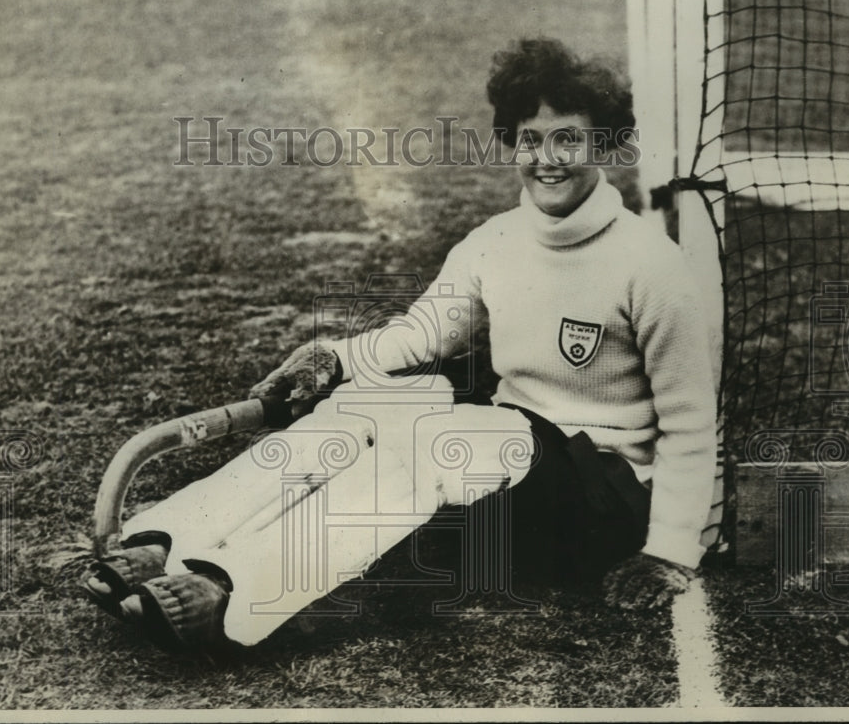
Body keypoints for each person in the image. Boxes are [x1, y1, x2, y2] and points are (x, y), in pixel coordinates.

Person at [83, 37, 718, 652]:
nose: (547, 158)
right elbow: (422, 331)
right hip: (516, 462)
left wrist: (669, 551)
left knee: (441, 436)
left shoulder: (651, 267)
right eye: (530, 139)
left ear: (603, 144)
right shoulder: (495, 240)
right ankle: (167, 543)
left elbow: (691, 424)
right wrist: (336, 358)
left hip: (602, 492)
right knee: (365, 404)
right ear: (510, 143)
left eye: (569, 139)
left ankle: (233, 590)